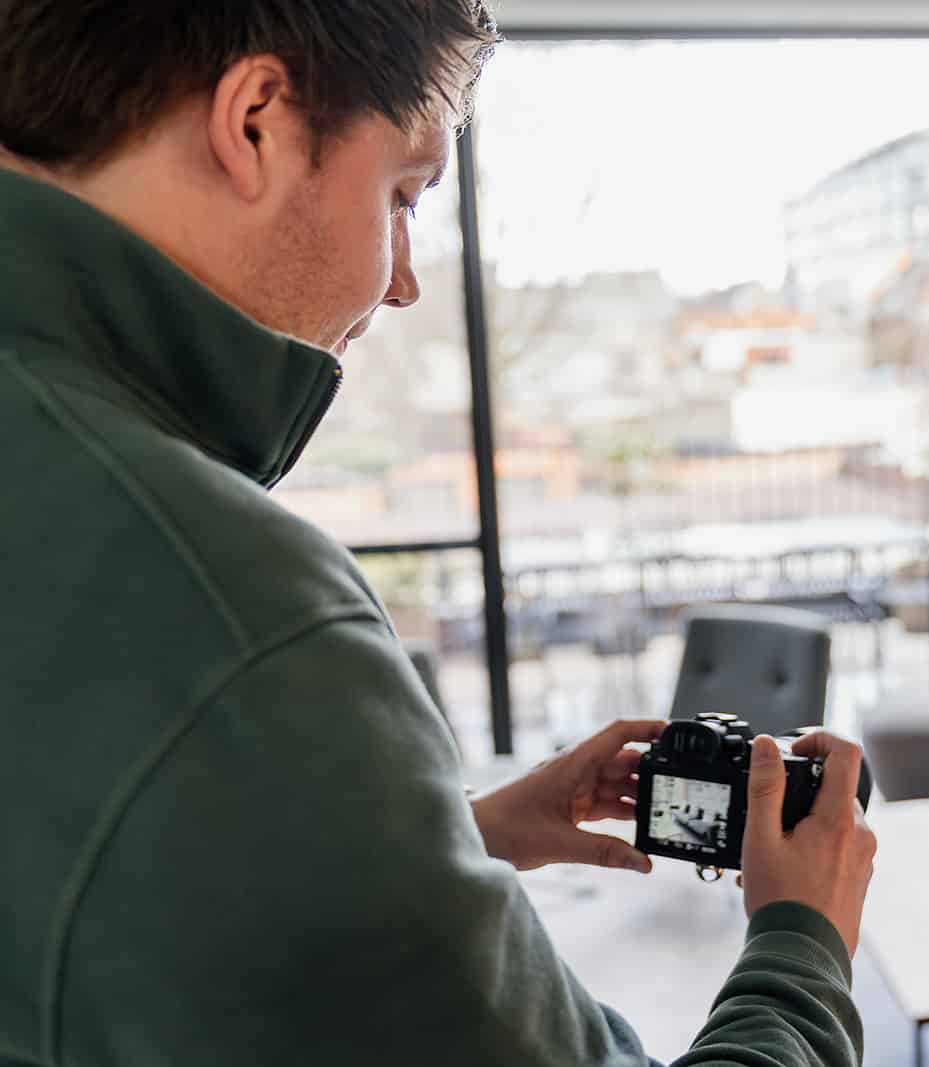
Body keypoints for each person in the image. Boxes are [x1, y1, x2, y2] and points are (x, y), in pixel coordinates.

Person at [0, 3, 876, 1065]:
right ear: (259, 122)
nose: (403, 279)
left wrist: (440, 836)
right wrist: (804, 938)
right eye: (403, 194)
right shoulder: (236, 612)